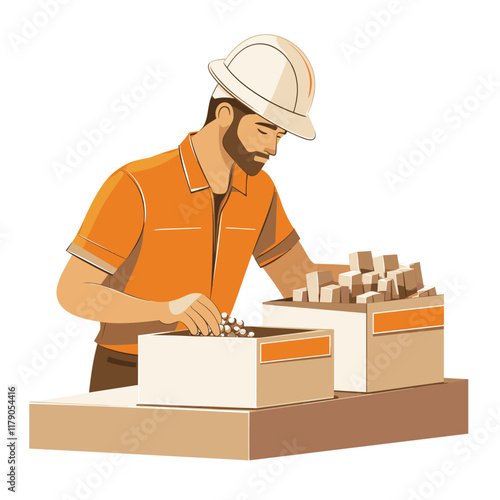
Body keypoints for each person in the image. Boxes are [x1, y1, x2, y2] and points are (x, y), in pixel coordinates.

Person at [57, 35, 349, 392]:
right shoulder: (135, 184)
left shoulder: (261, 191)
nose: (272, 147)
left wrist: (375, 281)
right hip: (129, 370)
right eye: (263, 129)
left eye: (280, 136)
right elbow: (73, 292)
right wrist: (164, 309)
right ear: (225, 114)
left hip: (211, 367)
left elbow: (298, 282)